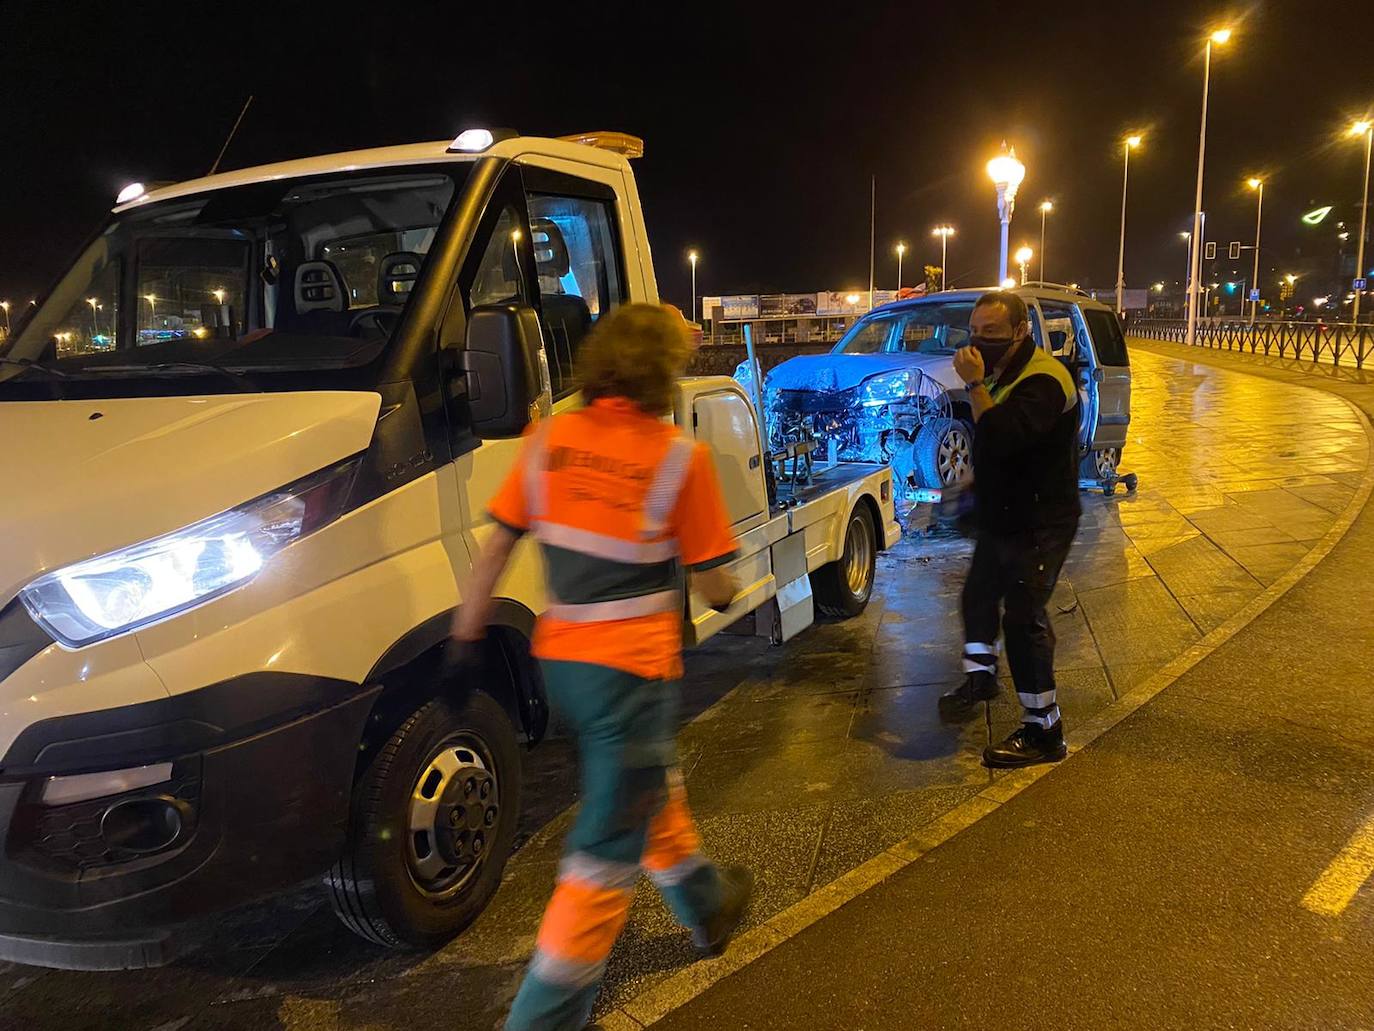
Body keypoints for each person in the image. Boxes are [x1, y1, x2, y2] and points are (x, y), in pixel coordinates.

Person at [453, 303, 754, 1031]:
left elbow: (495, 550)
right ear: (663, 372)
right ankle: (543, 1015)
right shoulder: (679, 457)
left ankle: (706, 903)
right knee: (602, 851)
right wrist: (713, 568)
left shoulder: (547, 438)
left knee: (646, 787)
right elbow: (718, 586)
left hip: (565, 670)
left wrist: (463, 641)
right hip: (634, 677)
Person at [939, 290, 1081, 767]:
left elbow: (1001, 435)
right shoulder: (1005, 372)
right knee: (977, 596)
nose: (979, 342)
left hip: (1041, 520)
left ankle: (1045, 730)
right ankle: (981, 677)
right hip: (1003, 514)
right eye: (975, 332)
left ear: (1021, 331)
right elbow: (990, 445)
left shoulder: (1044, 379)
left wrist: (975, 385)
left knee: (1023, 619)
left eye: (992, 333)